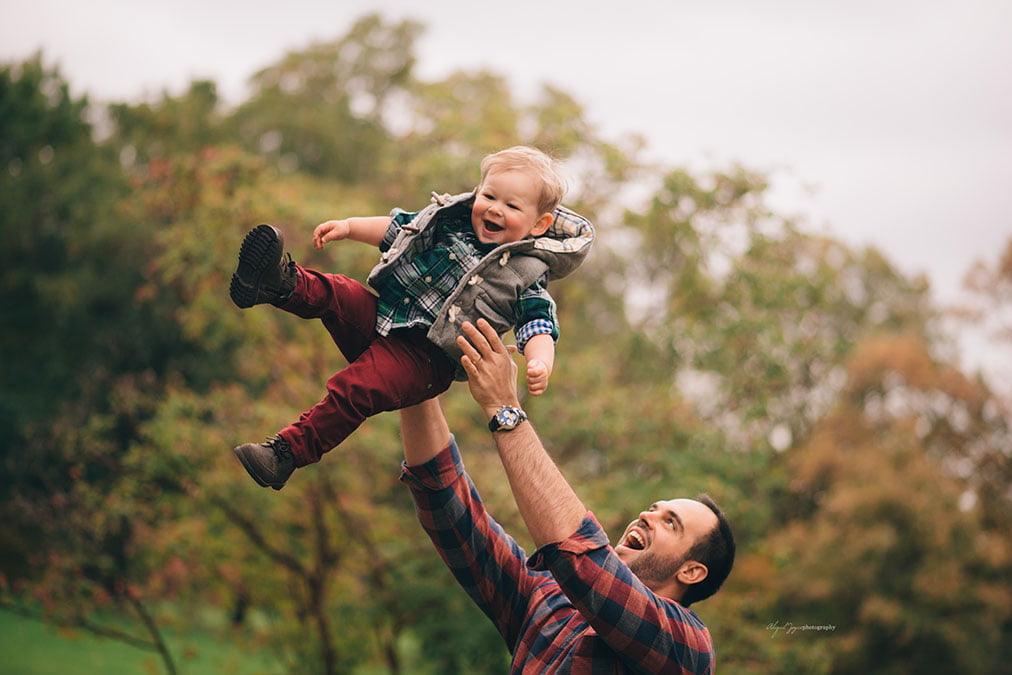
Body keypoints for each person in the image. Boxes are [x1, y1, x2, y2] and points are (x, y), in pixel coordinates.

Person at [230, 146, 595, 490]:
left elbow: (539, 324)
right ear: (477, 191)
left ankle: (284, 455)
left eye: (512, 206)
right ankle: (275, 285)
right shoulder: (450, 223)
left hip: (426, 360)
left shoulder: (526, 272)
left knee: (357, 386)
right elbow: (399, 228)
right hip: (388, 316)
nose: (495, 209)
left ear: (538, 224)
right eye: (489, 197)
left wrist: (539, 362)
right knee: (338, 291)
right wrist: (349, 226)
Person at [398, 319, 735, 674]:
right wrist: (413, 374)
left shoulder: (686, 648)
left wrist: (504, 406)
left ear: (692, 571)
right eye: (654, 508)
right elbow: (451, 510)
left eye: (671, 523)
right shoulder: (549, 598)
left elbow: (581, 558)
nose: (647, 516)